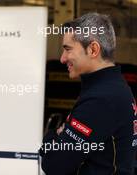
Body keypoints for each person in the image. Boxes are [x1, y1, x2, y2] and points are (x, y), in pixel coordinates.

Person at [40, 13, 137, 175]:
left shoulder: (102, 99)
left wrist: (51, 137)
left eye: (68, 49)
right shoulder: (114, 87)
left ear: (93, 49)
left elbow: (54, 164)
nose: (62, 59)